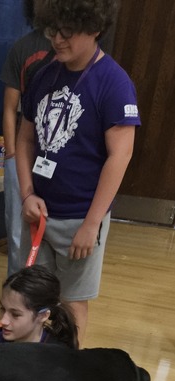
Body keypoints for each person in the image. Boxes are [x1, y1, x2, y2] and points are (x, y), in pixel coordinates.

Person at [16, 0, 140, 341]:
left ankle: (66, 371)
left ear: (95, 27)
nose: (57, 39)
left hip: (80, 217)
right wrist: (26, 193)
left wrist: (91, 223)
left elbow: (121, 156)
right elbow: (25, 139)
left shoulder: (113, 82)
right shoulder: (44, 74)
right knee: (33, 300)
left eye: (67, 31)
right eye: (52, 29)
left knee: (72, 304)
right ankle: (32, 368)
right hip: (38, 213)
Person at [1, 1, 52, 274]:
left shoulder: (75, 53)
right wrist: (10, 155)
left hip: (54, 155)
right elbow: (10, 108)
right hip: (22, 150)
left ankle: (40, 294)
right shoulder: (23, 48)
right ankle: (15, 290)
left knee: (48, 228)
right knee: (18, 229)